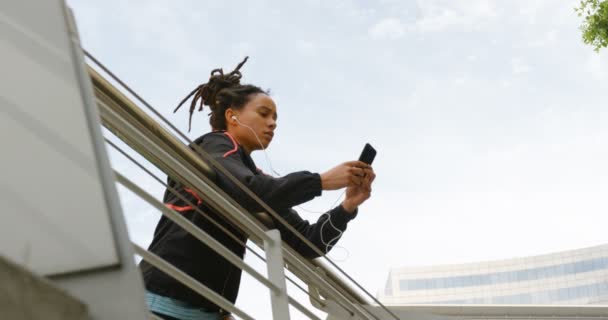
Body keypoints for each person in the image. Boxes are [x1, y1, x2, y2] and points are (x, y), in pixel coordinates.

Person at [139, 57, 375, 320]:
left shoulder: (255, 176)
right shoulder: (215, 145)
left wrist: (347, 207)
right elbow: (248, 191)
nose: (273, 123)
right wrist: (320, 181)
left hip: (205, 312)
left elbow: (309, 242)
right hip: (159, 302)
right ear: (232, 116)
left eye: (275, 118)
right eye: (264, 114)